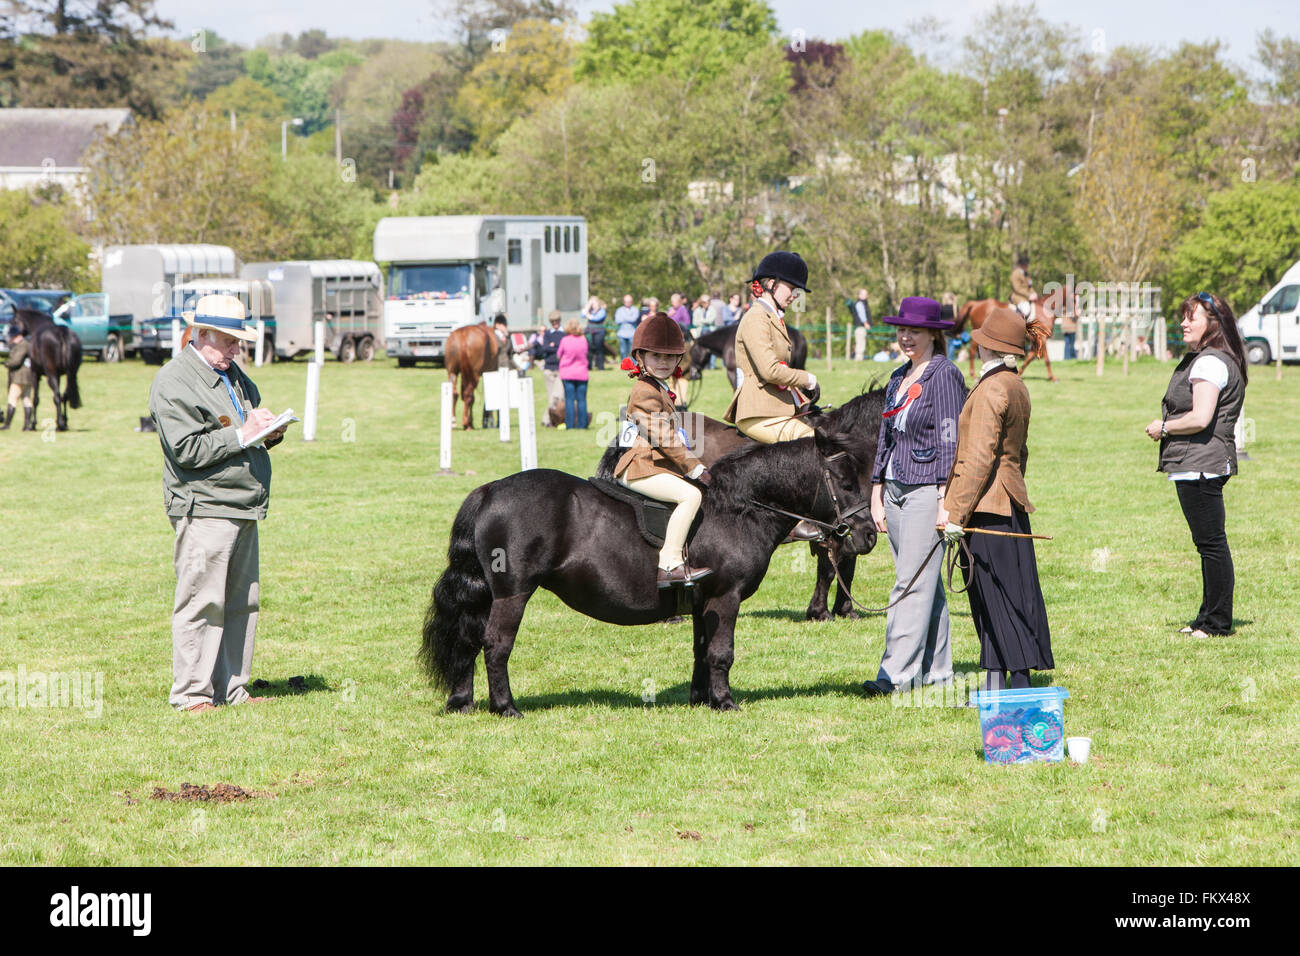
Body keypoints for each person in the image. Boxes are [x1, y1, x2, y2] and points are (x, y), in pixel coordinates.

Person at [147, 295, 289, 713]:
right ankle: (191, 696)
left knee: (243, 601)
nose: (236, 349)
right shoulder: (172, 381)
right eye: (229, 340)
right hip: (204, 507)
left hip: (243, 505)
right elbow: (186, 449)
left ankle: (232, 688)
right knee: (202, 601)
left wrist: (269, 431)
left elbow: (245, 423)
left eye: (238, 342)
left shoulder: (234, 374)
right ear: (201, 334)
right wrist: (244, 435)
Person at [943, 306, 1052, 692]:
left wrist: (955, 513)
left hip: (987, 510)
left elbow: (977, 456)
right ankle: (995, 684)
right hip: (1008, 503)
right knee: (995, 599)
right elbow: (1019, 454)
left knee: (1000, 601)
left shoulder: (991, 388)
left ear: (988, 347)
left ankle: (1017, 688)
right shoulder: (1016, 385)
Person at [863, 298, 966, 697]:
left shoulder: (944, 375)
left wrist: (944, 498)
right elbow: (885, 438)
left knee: (910, 583)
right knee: (926, 585)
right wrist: (876, 492)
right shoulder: (898, 376)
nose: (906, 336)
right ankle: (937, 673)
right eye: (901, 330)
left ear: (933, 334)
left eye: (915, 331)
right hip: (893, 489)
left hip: (927, 490)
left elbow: (948, 437)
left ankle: (896, 675)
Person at [1144, 292, 1247, 638]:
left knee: (1212, 544)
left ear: (1212, 325)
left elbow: (1201, 417)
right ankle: (1206, 617)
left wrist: (1164, 427)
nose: (1184, 323)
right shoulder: (1210, 358)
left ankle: (1217, 623)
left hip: (1201, 463)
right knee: (1207, 544)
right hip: (1199, 462)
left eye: (1193, 318)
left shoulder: (1209, 362)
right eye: (1184, 316)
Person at [614, 313, 713, 587]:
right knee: (691, 496)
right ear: (641, 357)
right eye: (656, 356)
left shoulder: (659, 387)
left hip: (654, 464)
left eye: (670, 358)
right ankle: (669, 564)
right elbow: (663, 436)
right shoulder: (644, 390)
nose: (663, 363)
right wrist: (695, 467)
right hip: (641, 467)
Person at [723, 251, 819, 444]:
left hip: (777, 406)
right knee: (812, 443)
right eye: (791, 288)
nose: (794, 296)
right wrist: (807, 379)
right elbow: (770, 370)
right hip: (758, 412)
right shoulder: (756, 318)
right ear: (770, 284)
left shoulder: (773, 318)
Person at [530, 310, 566, 427]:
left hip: (560, 368)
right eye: (552, 321)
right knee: (551, 396)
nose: (554, 323)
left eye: (556, 321)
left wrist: (552, 346)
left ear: (559, 321)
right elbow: (544, 349)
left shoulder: (564, 333)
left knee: (557, 396)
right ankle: (551, 421)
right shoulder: (548, 334)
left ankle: (546, 419)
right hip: (548, 368)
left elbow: (562, 348)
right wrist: (555, 346)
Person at [557, 317, 589, 429]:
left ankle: (569, 425)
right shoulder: (583, 339)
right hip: (581, 373)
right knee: (581, 400)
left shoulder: (565, 340)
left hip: (567, 372)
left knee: (569, 400)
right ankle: (582, 424)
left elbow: (559, 354)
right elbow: (586, 353)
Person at [3, 324, 35, 431]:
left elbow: (16, 361)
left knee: (12, 399)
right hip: (27, 377)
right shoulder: (25, 344)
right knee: (26, 399)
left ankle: (7, 425)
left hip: (19, 377)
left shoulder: (23, 345)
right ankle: (27, 425)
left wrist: (8, 364)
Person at [583, 295, 607, 371]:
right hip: (589, 332)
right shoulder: (590, 310)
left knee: (599, 349)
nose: (593, 305)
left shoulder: (602, 311)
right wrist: (588, 306)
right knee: (589, 349)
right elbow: (582, 314)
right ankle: (589, 366)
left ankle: (600, 367)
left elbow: (596, 318)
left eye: (594, 303)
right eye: (592, 303)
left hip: (599, 332)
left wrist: (588, 315)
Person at [1010, 252, 1037, 320]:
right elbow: (1017, 289)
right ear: (1022, 265)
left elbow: (1030, 286)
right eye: (1026, 265)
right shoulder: (1015, 274)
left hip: (1027, 297)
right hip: (1018, 297)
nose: (1027, 266)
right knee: (1026, 310)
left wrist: (1034, 293)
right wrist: (1029, 295)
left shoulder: (1026, 274)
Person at [614, 294, 640, 360]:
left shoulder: (635, 310)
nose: (628, 303)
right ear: (623, 302)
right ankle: (624, 365)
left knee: (633, 351)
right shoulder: (619, 310)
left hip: (632, 333)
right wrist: (629, 317)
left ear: (632, 302)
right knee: (623, 351)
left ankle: (634, 365)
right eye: (626, 301)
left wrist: (624, 318)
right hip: (621, 333)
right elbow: (617, 320)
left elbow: (634, 319)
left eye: (629, 301)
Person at [849, 288, 872, 361]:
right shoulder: (860, 303)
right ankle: (858, 358)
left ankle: (860, 357)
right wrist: (866, 323)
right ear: (860, 295)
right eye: (864, 294)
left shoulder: (862, 303)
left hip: (860, 327)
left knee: (861, 342)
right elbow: (861, 314)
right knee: (860, 342)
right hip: (860, 327)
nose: (866, 296)